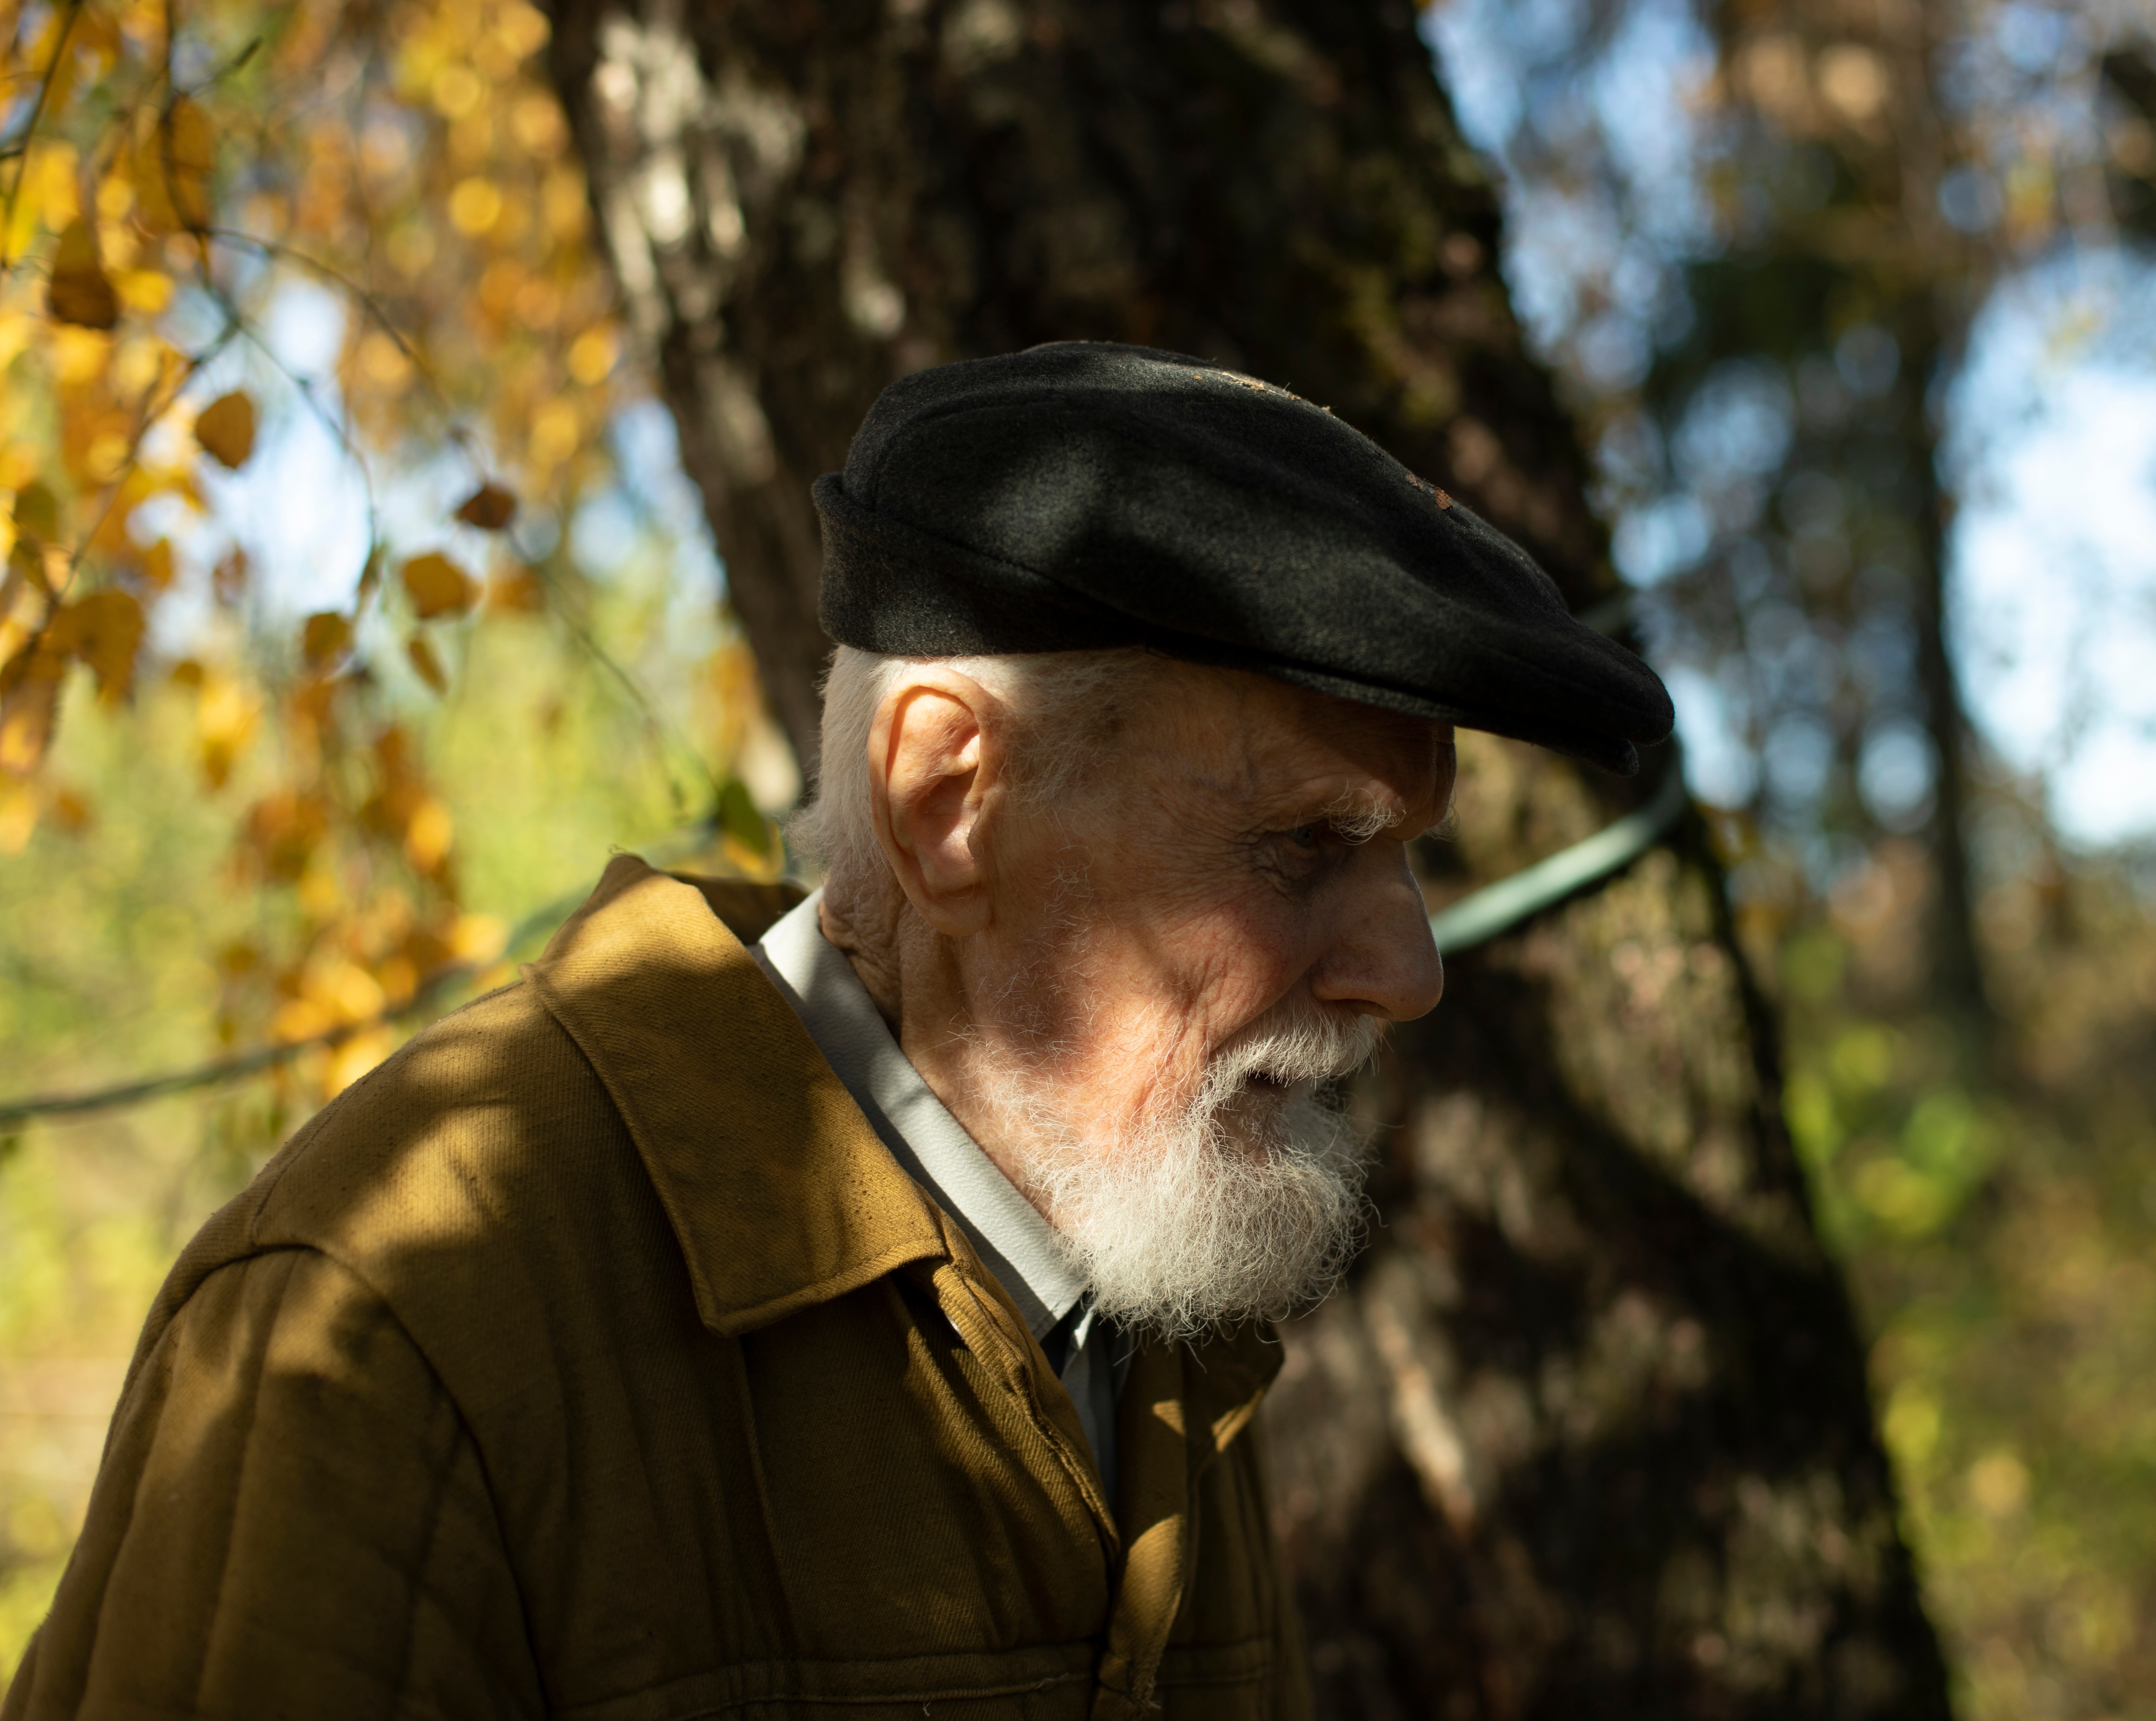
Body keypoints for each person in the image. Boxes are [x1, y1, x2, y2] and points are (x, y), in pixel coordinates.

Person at [3, 343, 1670, 1719]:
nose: (1410, 965)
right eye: (1306, 842)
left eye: (1407, 858)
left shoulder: (1147, 1299)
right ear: (950, 796)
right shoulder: (403, 1312)